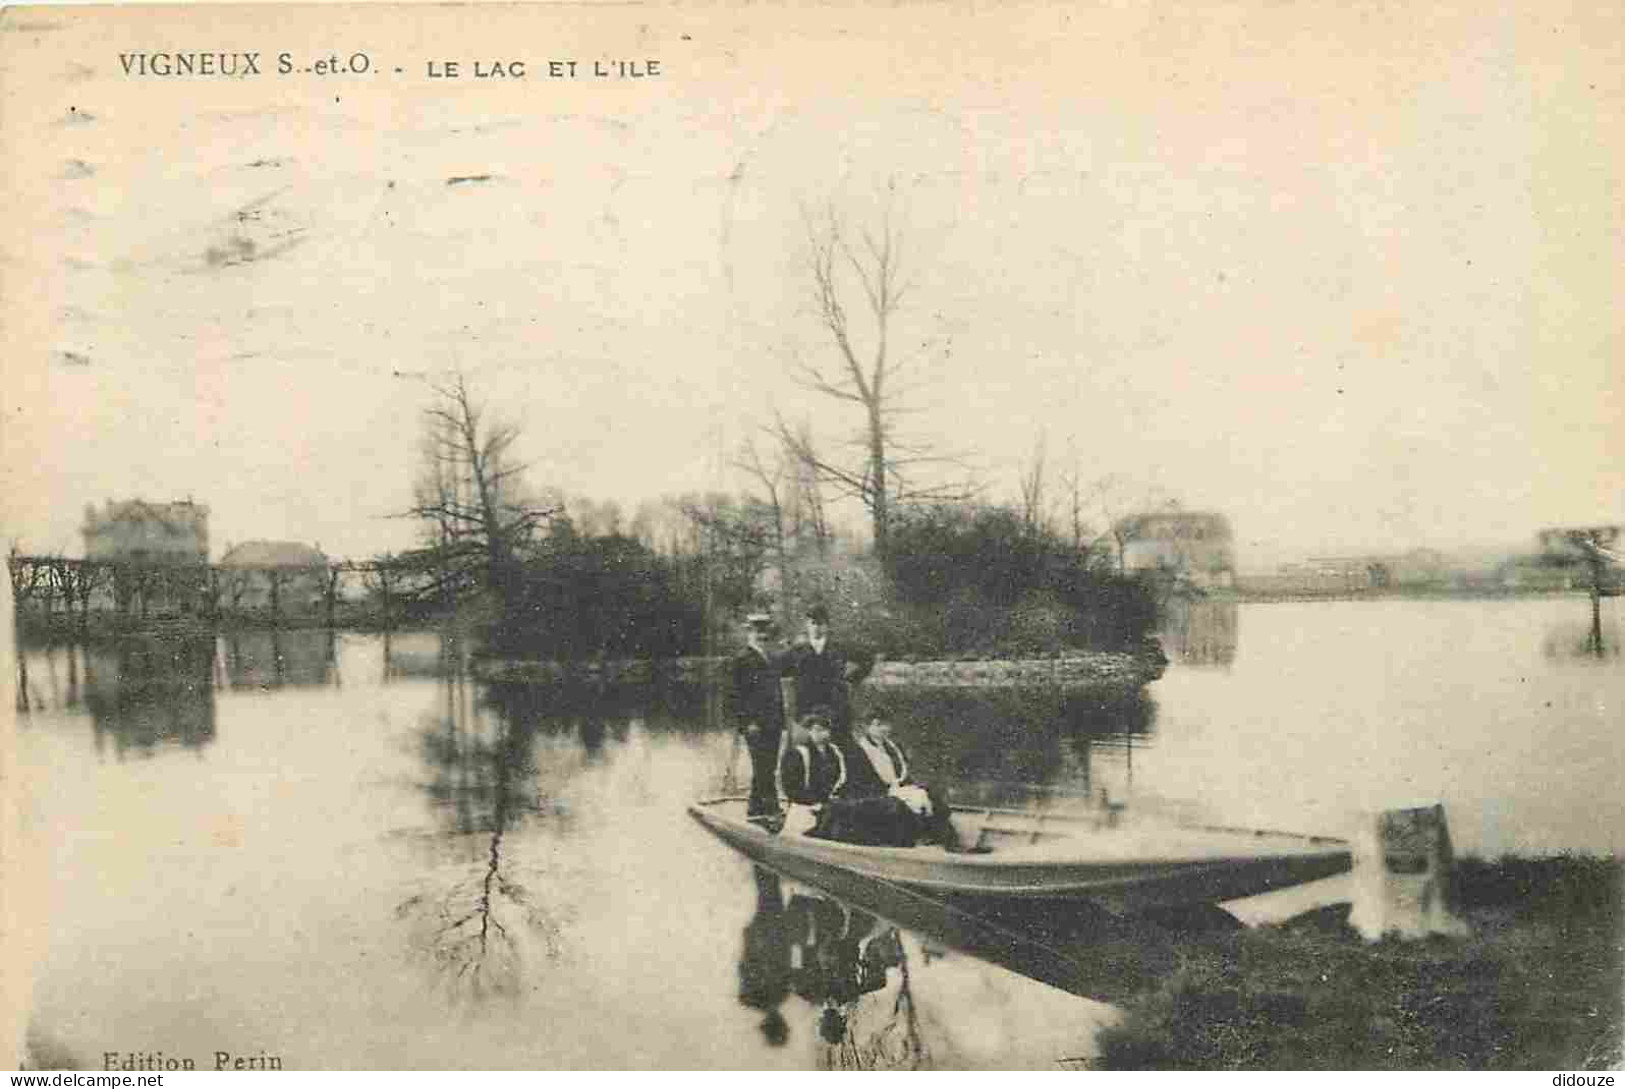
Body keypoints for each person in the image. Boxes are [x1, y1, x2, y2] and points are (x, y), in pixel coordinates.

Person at [832, 711, 982, 852]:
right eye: (877, 725)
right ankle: (908, 846)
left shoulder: (892, 748)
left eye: (885, 724)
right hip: (873, 792)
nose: (883, 728)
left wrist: (912, 788)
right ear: (867, 727)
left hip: (896, 788)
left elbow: (902, 775)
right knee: (898, 806)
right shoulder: (857, 751)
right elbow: (858, 781)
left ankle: (949, 842)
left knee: (930, 794)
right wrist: (889, 791)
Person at [781, 603, 875, 743]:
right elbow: (777, 670)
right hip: (807, 711)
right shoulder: (796, 651)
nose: (816, 628)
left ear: (827, 626)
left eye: (821, 624)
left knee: (839, 748)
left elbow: (868, 658)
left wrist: (851, 678)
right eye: (813, 623)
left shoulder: (839, 648)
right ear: (807, 625)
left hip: (836, 709)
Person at [729, 611, 785, 818]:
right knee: (763, 768)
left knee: (768, 766)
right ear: (749, 633)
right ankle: (772, 809)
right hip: (755, 726)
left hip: (774, 724)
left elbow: (776, 692)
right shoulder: (742, 660)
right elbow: (736, 696)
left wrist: (782, 722)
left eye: (764, 632)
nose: (761, 636)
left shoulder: (772, 658)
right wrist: (747, 723)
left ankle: (754, 808)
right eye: (756, 632)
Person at [779, 707, 847, 836]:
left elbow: (842, 778)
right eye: (818, 730)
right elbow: (791, 788)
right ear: (809, 731)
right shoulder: (798, 753)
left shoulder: (835, 752)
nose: (823, 734)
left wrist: (832, 801)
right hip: (804, 809)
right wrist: (815, 802)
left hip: (830, 808)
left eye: (826, 730)